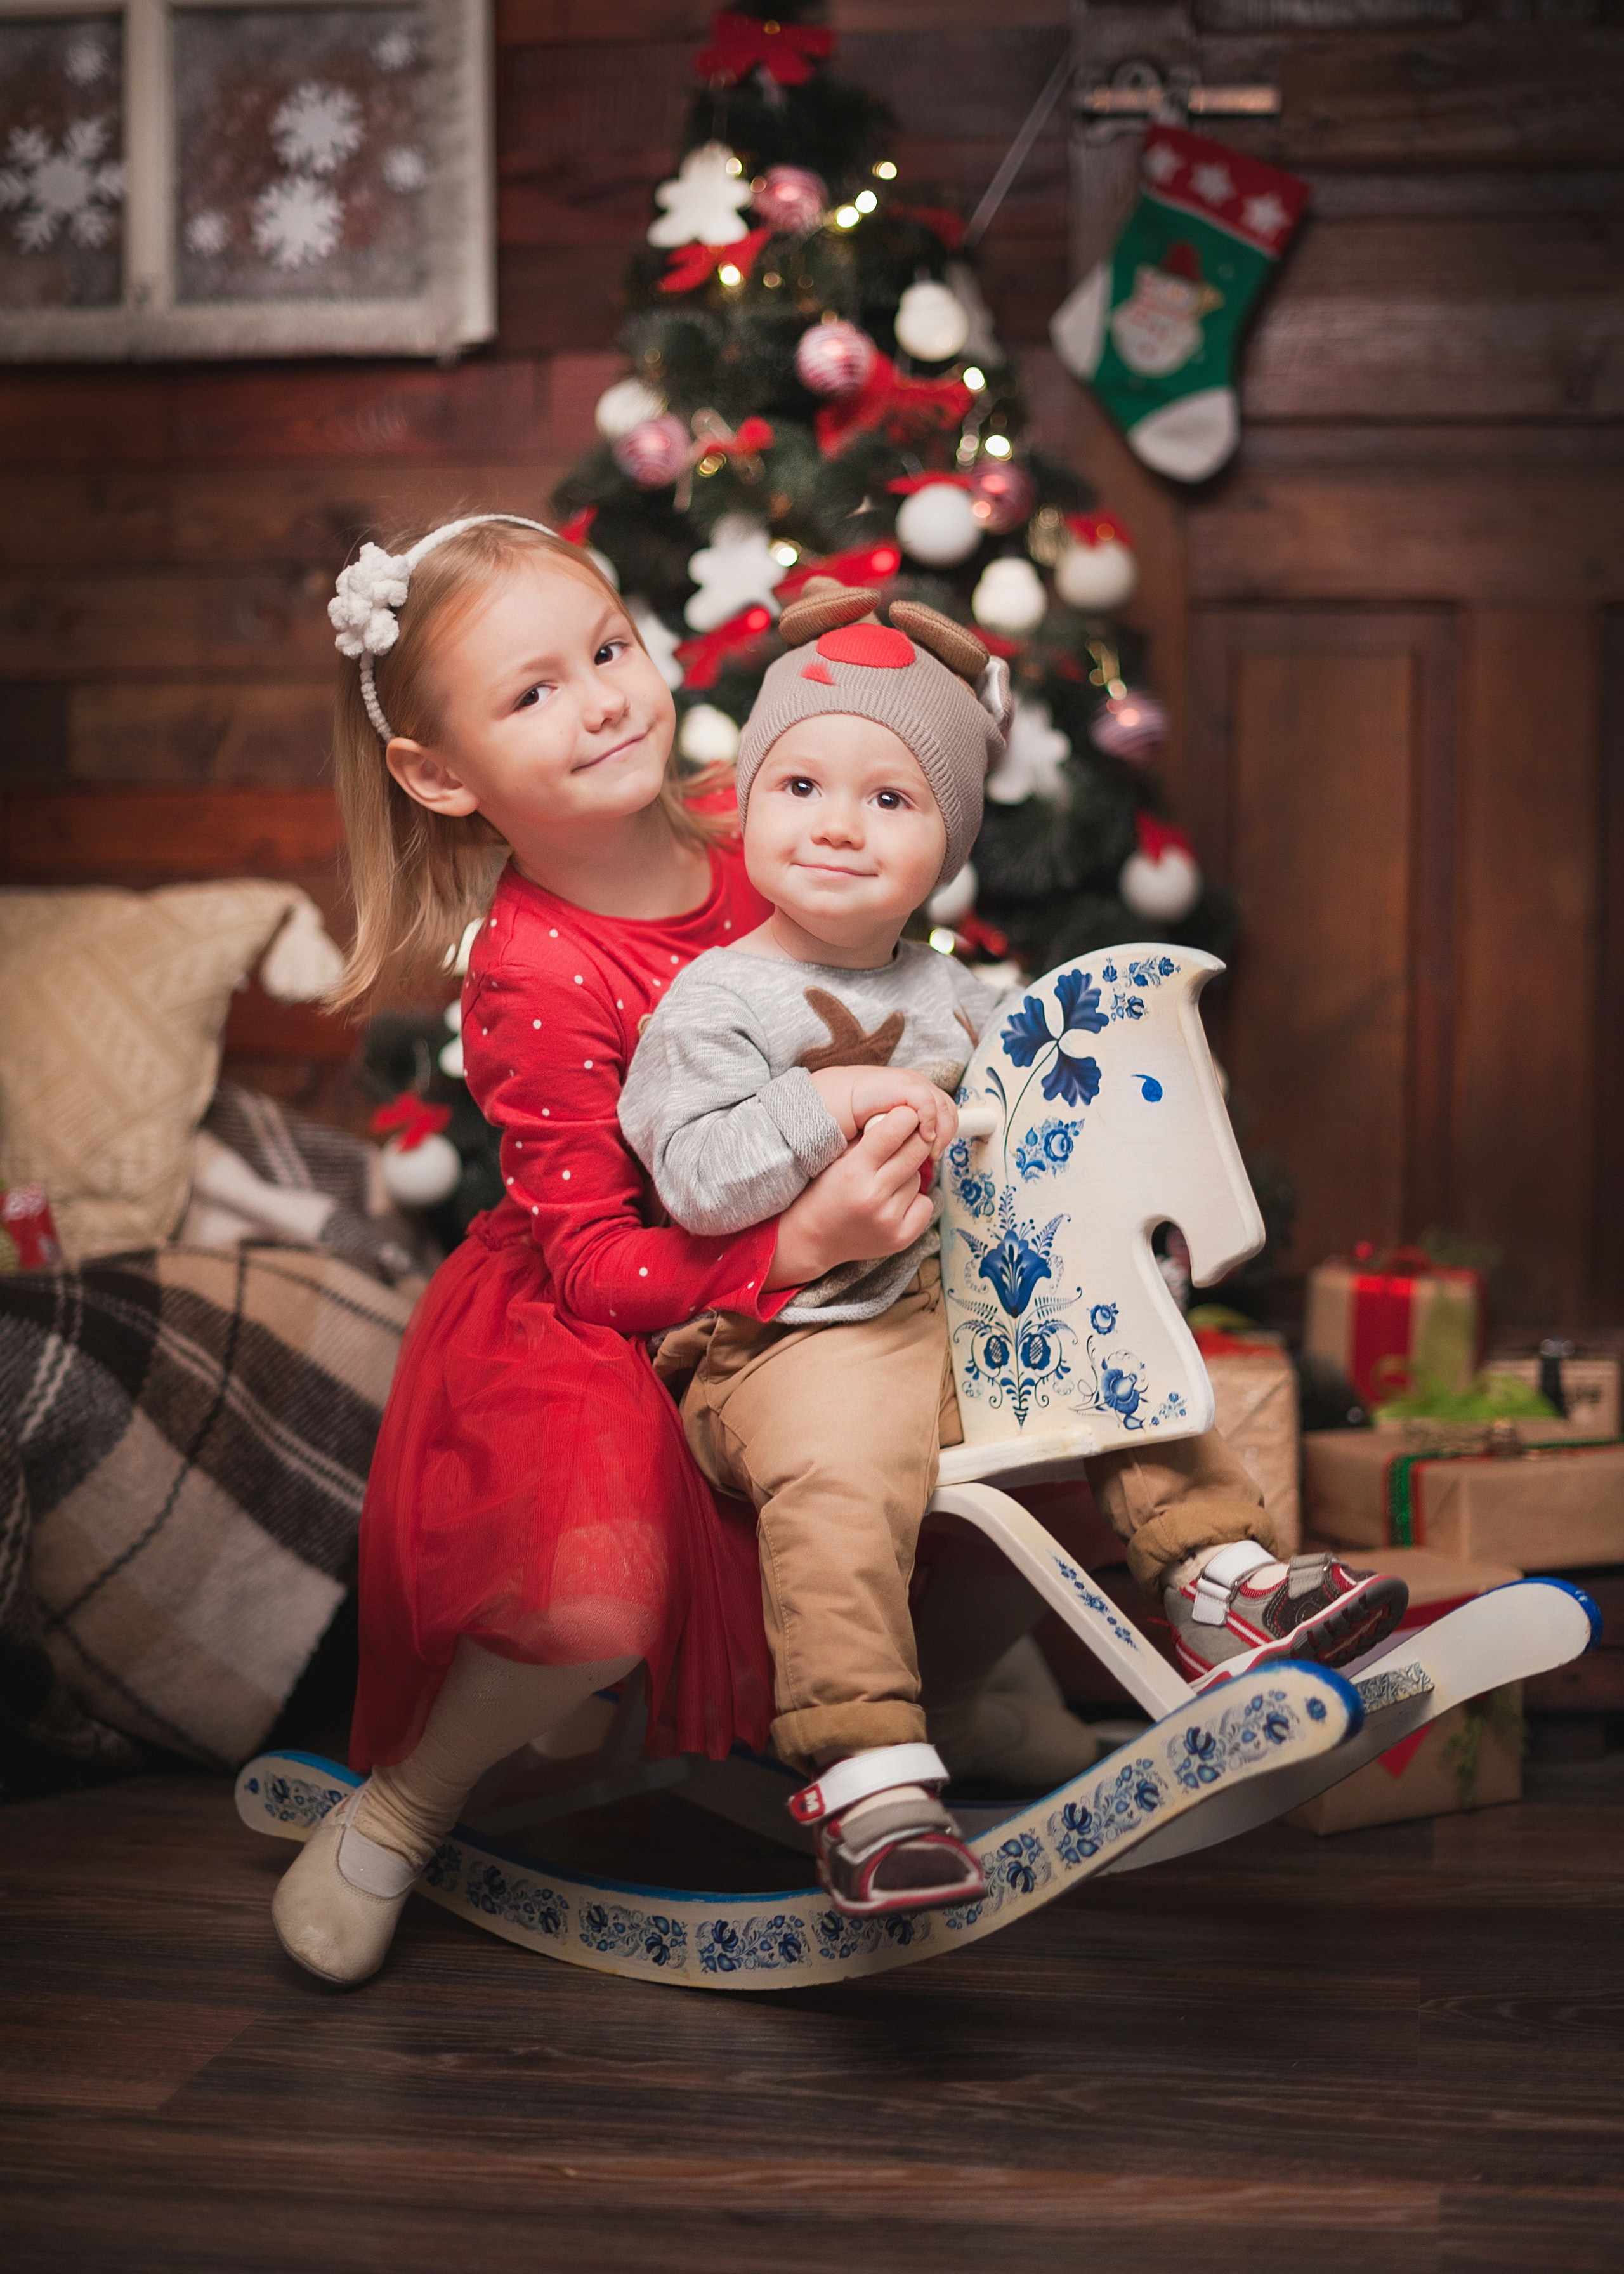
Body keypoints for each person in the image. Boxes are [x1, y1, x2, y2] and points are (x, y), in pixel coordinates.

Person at [620, 579, 1408, 1917]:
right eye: (801, 782)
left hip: (963, 1314)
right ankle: (866, 1772)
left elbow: (1043, 1148)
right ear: (742, 801)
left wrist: (1112, 1240)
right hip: (792, 1339)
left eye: (891, 798)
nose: (837, 823)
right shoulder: (716, 999)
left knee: (1113, 1345)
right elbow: (690, 1183)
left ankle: (1218, 1579)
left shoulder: (964, 996)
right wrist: (828, 1099)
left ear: (950, 840)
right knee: (840, 1469)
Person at [270, 518, 956, 1984]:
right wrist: (790, 1242)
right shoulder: (534, 968)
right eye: (532, 693)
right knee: (584, 1591)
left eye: (607, 649)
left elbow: (899, 963)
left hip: (820, 1265)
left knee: (938, 1380)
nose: (600, 699)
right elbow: (594, 1256)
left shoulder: (759, 818)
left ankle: (984, 1668)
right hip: (608, 1299)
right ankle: (406, 1806)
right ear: (441, 775)